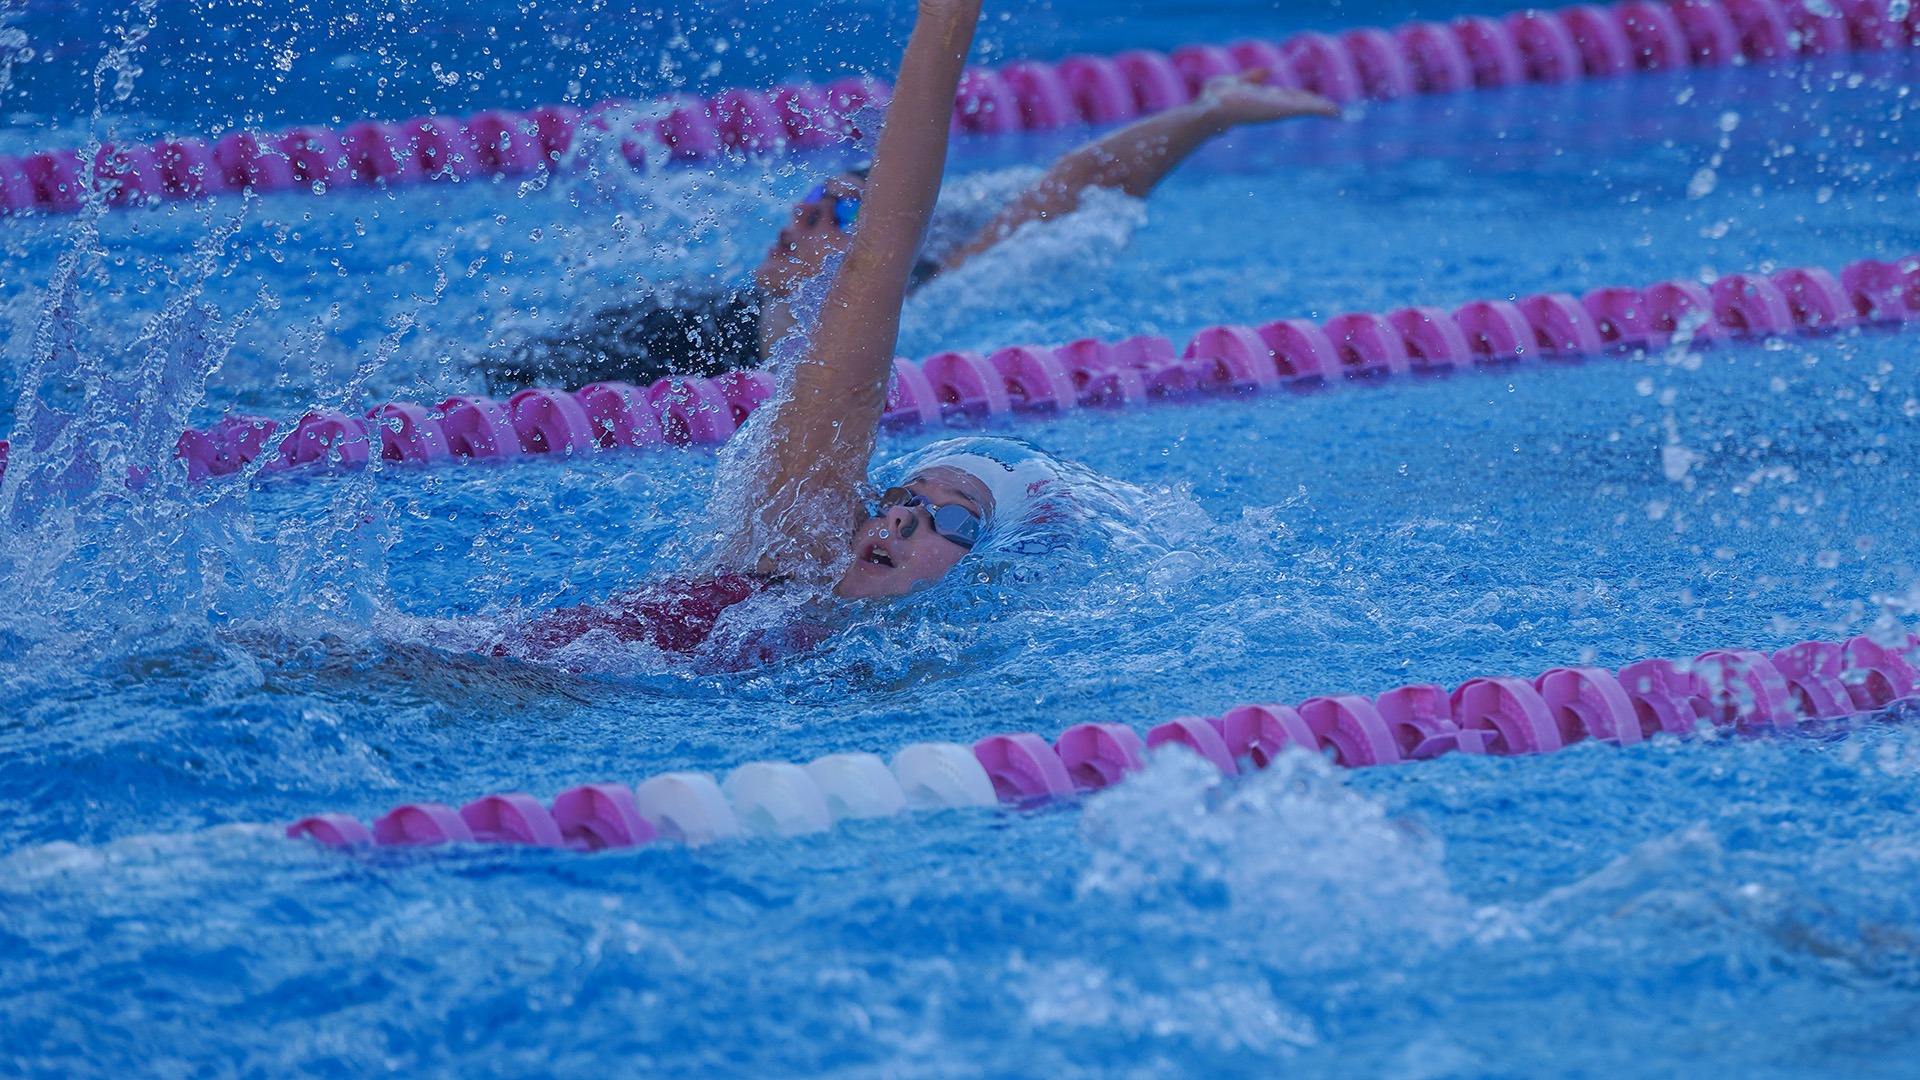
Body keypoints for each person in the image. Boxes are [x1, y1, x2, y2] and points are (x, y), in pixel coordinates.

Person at [514, 0, 1337, 666]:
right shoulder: (796, 547)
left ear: (988, 571)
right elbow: (879, 254)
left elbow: (1061, 189)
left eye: (955, 520)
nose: (904, 518)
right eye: (905, 496)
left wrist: (1209, 113)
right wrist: (946, 22)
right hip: (488, 673)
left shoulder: (871, 657)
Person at [481, 64, 1338, 393]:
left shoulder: (898, 304)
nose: (806, 212)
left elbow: (1073, 186)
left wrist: (1208, 114)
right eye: (811, 197)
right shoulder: (693, 311)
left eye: (843, 211)